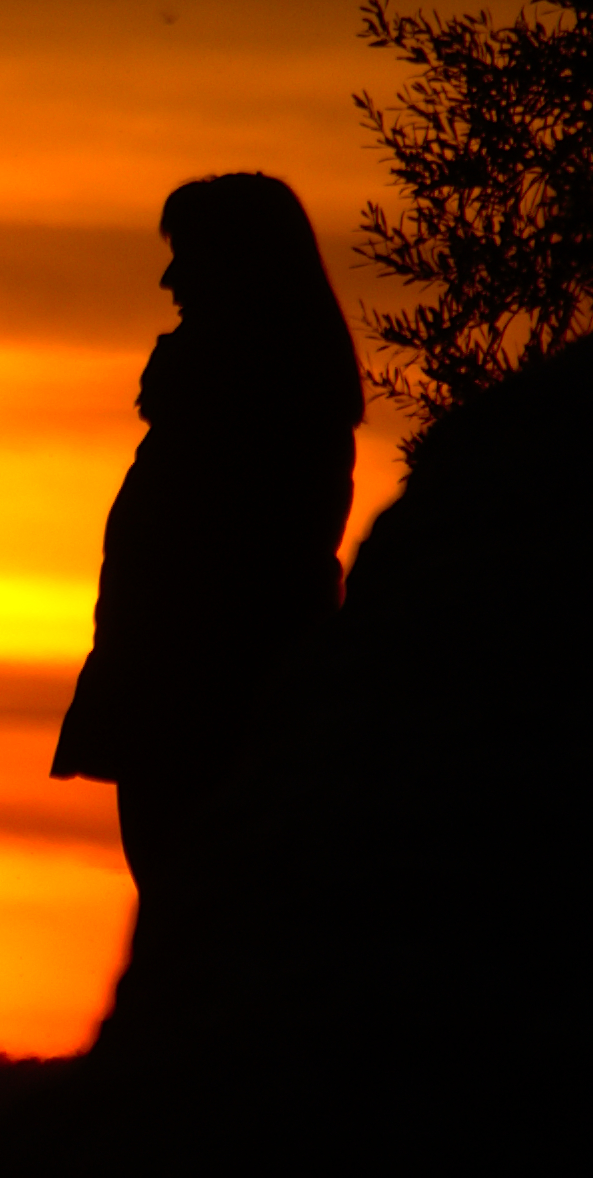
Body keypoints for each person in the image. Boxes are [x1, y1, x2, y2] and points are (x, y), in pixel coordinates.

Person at [49, 172, 366, 910]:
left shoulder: (260, 417)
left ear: (240, 267)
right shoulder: (232, 406)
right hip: (182, 694)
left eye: (187, 254)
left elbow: (226, 575)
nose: (169, 278)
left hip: (207, 703)